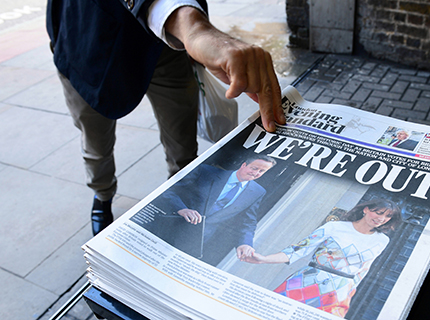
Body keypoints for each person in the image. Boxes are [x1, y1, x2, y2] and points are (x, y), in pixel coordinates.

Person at [46, 0, 285, 236]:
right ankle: (102, 195)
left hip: (162, 46)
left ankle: (182, 196)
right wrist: (193, 27)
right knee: (96, 141)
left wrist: (191, 29)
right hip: (88, 40)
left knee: (182, 144)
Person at [243, 199, 402, 318]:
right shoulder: (335, 227)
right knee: (273, 314)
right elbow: (298, 250)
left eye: (387, 216)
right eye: (378, 212)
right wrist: (263, 259)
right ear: (366, 209)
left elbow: (364, 270)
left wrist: (348, 293)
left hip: (339, 292)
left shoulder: (382, 240)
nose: (381, 218)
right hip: (307, 281)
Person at [157, 155, 276, 265]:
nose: (256, 173)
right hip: (170, 226)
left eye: (262, 171)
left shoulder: (257, 192)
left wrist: (245, 243)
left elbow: (248, 222)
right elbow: (170, 191)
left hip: (197, 240)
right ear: (243, 165)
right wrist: (182, 209)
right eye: (254, 168)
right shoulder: (206, 171)